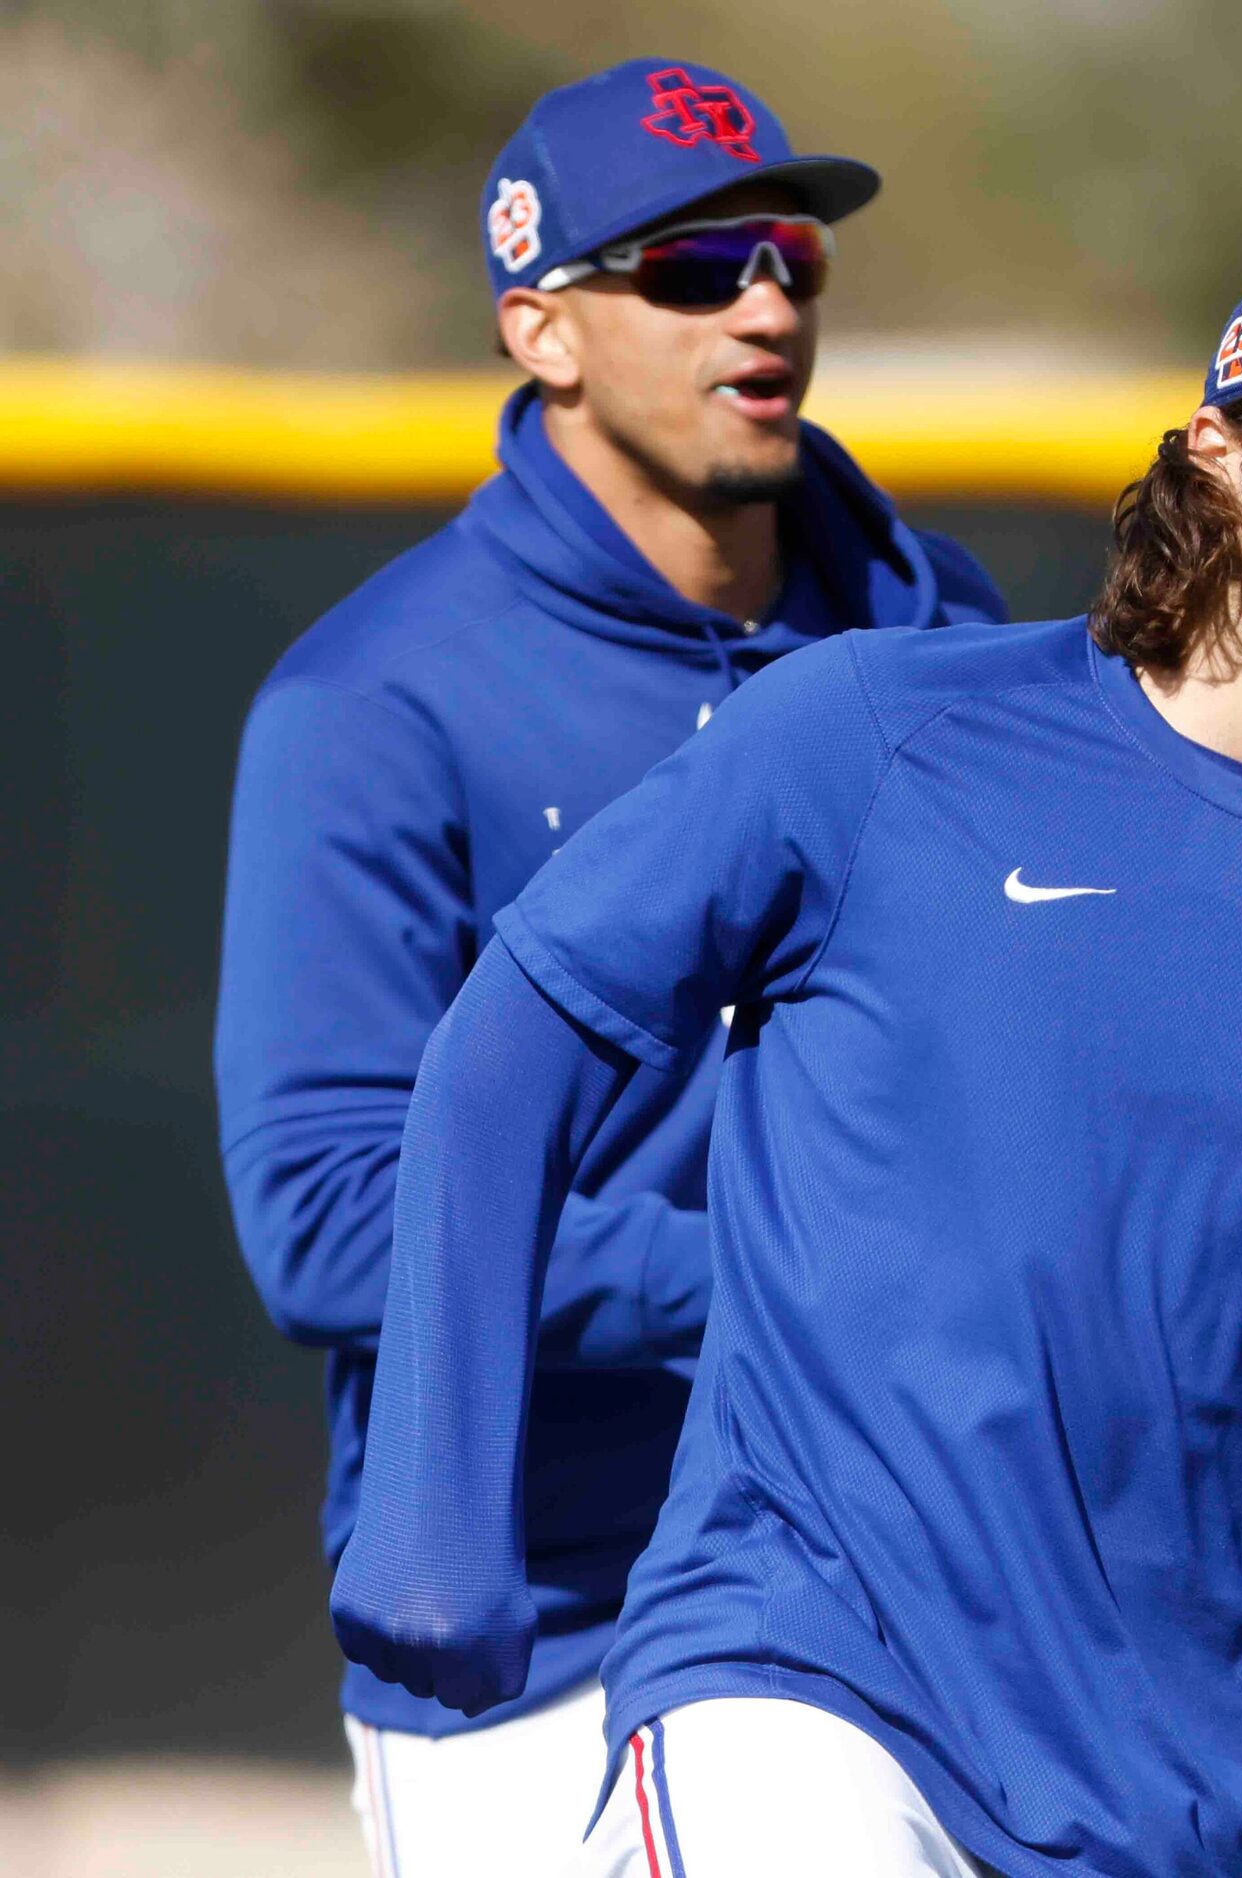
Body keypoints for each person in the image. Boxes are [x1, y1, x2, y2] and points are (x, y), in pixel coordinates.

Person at [324, 225, 1242, 1878]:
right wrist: (435, 1495)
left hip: (1236, 1794)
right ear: (1216, 450)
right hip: (813, 1700)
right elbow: (512, 1044)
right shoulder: (878, 735)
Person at [214, 57, 1006, 1877]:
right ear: (541, 331)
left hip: (918, 1571)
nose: (768, 304)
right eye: (693, 267)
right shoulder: (376, 701)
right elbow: (332, 1213)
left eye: (793, 256)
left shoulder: (944, 637)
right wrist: (773, 1282)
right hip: (552, 1613)